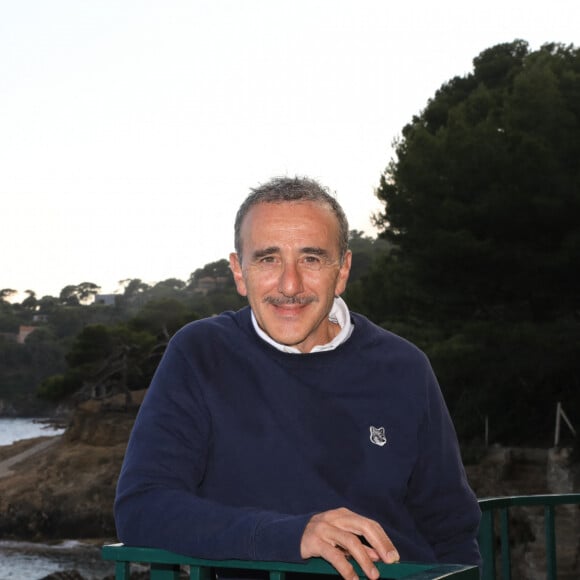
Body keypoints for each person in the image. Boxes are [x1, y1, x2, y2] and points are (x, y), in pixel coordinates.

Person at [114, 176, 481, 580]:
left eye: (311, 258)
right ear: (239, 272)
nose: (290, 285)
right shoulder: (202, 354)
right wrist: (291, 537)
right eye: (268, 259)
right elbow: (142, 506)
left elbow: (452, 529)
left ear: (341, 271)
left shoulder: (404, 366)